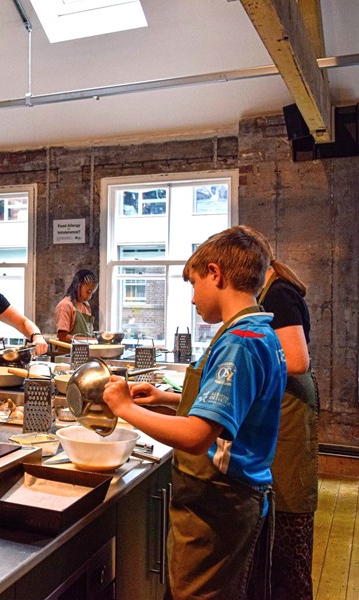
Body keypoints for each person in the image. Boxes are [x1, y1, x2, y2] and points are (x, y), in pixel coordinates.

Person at [102, 226, 287, 600]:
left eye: (194, 283)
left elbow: (197, 436)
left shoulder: (240, 343)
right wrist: (167, 398)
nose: (192, 298)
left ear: (216, 274)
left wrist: (124, 408)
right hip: (230, 499)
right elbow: (235, 407)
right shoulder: (256, 332)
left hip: (220, 504)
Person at [253, 233, 319, 600]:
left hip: (291, 407)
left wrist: (245, 366)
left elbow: (296, 360)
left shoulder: (278, 294)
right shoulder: (274, 291)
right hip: (284, 405)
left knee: (289, 518)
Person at [54, 268, 97, 343]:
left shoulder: (86, 305)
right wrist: (89, 340)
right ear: (78, 286)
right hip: (68, 350)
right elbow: (62, 336)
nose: (90, 297)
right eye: (88, 292)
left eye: (92, 293)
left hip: (85, 349)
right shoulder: (65, 305)